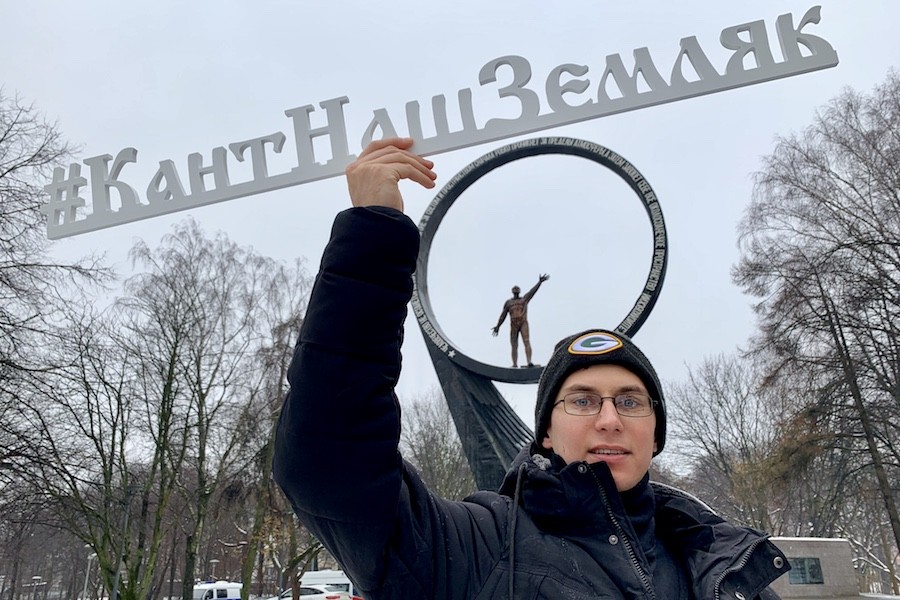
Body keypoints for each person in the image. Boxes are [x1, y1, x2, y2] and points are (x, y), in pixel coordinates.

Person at [273, 138, 789, 600]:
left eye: (630, 401)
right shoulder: (473, 552)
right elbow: (329, 460)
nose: (610, 419)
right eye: (582, 400)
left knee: (525, 339)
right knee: (518, 340)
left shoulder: (725, 567)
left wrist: (539, 286)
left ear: (656, 433)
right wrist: (372, 238)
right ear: (544, 433)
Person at [492, 274, 549, 368]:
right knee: (514, 345)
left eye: (517, 288)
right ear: (512, 291)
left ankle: (529, 361)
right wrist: (498, 326)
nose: (516, 289)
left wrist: (539, 282)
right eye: (514, 289)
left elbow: (532, 292)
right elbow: (503, 315)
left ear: (519, 291)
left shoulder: (524, 299)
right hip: (513, 324)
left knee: (526, 341)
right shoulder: (508, 303)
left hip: (523, 322)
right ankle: (514, 364)